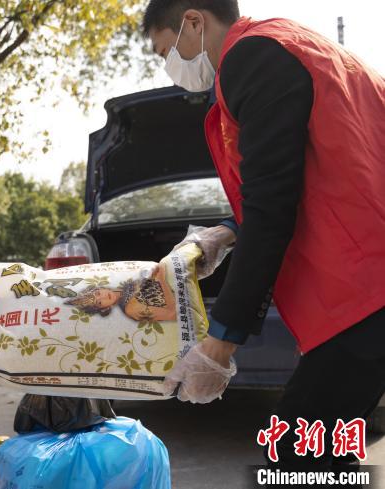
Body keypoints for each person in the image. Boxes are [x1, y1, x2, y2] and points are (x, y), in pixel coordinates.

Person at [142, 0, 385, 472]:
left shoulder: (252, 57)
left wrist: (219, 344)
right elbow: (313, 172)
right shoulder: (299, 46)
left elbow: (272, 207)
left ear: (194, 21)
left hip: (364, 289)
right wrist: (229, 231)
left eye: (165, 51)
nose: (168, 67)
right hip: (366, 280)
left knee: (299, 459)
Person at [66, 264, 177, 321]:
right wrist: (162, 278)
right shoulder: (131, 309)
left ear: (100, 288)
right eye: (99, 302)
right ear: (104, 308)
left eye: (98, 294)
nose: (104, 297)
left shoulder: (128, 285)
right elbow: (173, 314)